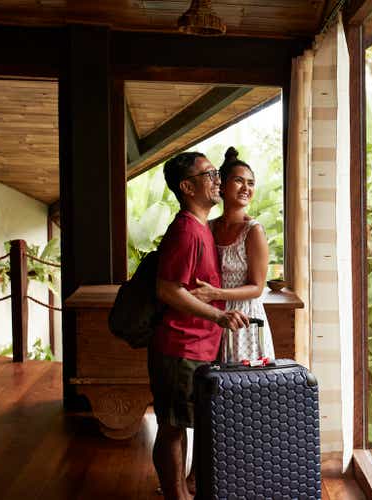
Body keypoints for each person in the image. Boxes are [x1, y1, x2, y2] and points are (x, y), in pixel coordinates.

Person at [150, 151, 249, 500]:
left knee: (185, 425)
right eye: (209, 174)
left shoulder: (202, 227)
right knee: (173, 429)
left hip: (198, 346)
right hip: (180, 346)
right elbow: (167, 289)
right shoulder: (186, 231)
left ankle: (185, 490)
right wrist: (218, 316)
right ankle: (176, 496)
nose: (217, 179)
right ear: (187, 186)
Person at [190, 147, 276, 362]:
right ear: (222, 185)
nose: (246, 188)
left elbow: (257, 288)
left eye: (251, 183)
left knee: (242, 390)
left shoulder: (253, 231)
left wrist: (215, 294)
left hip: (244, 321)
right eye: (239, 181)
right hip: (211, 318)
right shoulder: (206, 227)